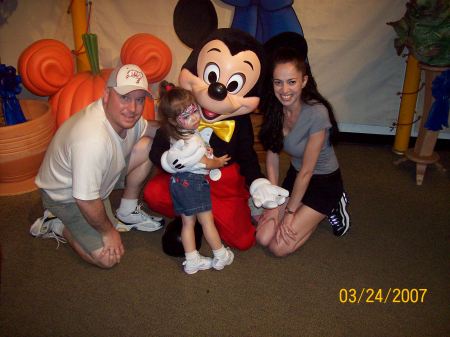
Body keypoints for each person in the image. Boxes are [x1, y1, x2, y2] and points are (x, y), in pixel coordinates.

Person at [30, 64, 163, 268]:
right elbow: (85, 199)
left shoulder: (128, 119)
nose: (133, 108)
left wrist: (184, 129)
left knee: (148, 145)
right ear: (107, 95)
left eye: (139, 99)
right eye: (125, 97)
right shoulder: (91, 138)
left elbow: (151, 128)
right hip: (67, 197)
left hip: (97, 181)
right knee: (107, 258)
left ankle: (126, 211)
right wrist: (108, 231)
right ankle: (54, 223)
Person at [256, 47, 350, 257]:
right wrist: (273, 201)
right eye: (278, 82)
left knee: (278, 248)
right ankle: (304, 214)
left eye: (291, 81)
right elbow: (272, 154)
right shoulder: (275, 107)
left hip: (323, 182)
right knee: (262, 237)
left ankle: (333, 205)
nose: (284, 90)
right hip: (295, 176)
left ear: (304, 81)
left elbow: (308, 171)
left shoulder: (316, 113)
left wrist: (289, 213)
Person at [158, 83, 234, 274]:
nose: (194, 118)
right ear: (174, 121)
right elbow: (206, 163)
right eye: (186, 116)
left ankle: (192, 260)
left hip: (177, 183)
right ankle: (221, 255)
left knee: (187, 223)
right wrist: (218, 162)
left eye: (194, 111)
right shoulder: (193, 141)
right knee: (207, 222)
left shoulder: (178, 137)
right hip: (194, 184)